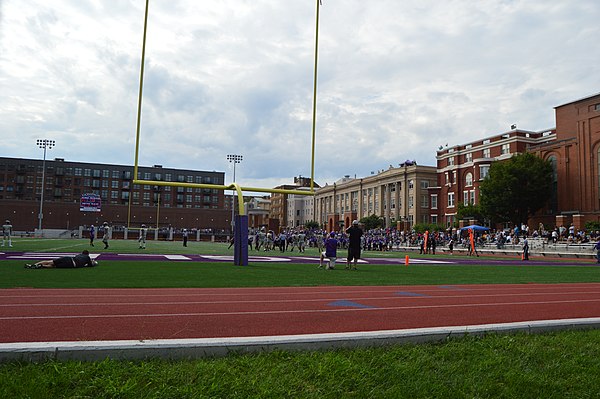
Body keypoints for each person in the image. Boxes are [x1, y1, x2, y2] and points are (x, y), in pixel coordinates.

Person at [25, 250, 98, 269]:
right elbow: (90, 265)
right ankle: (42, 266)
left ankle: (35, 264)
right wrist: (95, 262)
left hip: (69, 258)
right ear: (88, 254)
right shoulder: (87, 257)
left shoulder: (79, 255)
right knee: (54, 266)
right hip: (72, 265)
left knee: (51, 261)